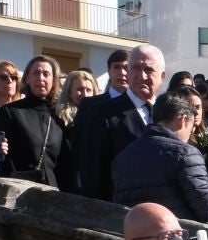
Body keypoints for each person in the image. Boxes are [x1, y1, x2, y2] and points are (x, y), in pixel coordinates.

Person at [111, 87, 208, 223]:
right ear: (182, 120)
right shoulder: (186, 153)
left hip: (137, 237)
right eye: (191, 127)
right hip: (177, 238)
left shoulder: (123, 157)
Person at [70, 43, 163, 200]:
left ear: (162, 76)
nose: (142, 76)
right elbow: (92, 173)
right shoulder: (101, 113)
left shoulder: (168, 112)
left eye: (149, 69)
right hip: (118, 211)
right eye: (135, 68)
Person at [0, 55, 66, 186]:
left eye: (46, 74)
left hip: (53, 194)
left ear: (54, 80)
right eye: (36, 73)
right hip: (19, 190)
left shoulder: (59, 118)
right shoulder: (10, 112)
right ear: (27, 78)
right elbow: (0, 158)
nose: (41, 78)